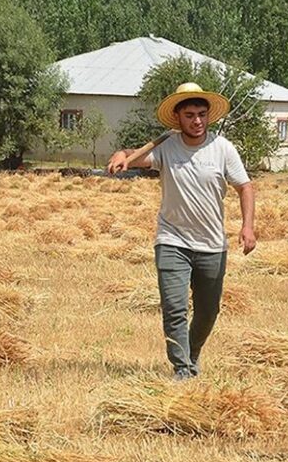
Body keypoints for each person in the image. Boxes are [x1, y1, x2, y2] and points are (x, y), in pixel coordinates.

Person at [107, 81, 256, 380]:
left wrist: (247, 226)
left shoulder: (222, 149)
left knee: (207, 312)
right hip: (172, 240)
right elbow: (135, 156)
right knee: (174, 308)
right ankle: (182, 368)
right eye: (189, 114)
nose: (197, 120)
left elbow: (244, 186)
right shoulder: (166, 148)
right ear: (178, 117)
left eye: (201, 114)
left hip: (212, 244)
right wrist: (120, 154)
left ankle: (192, 352)